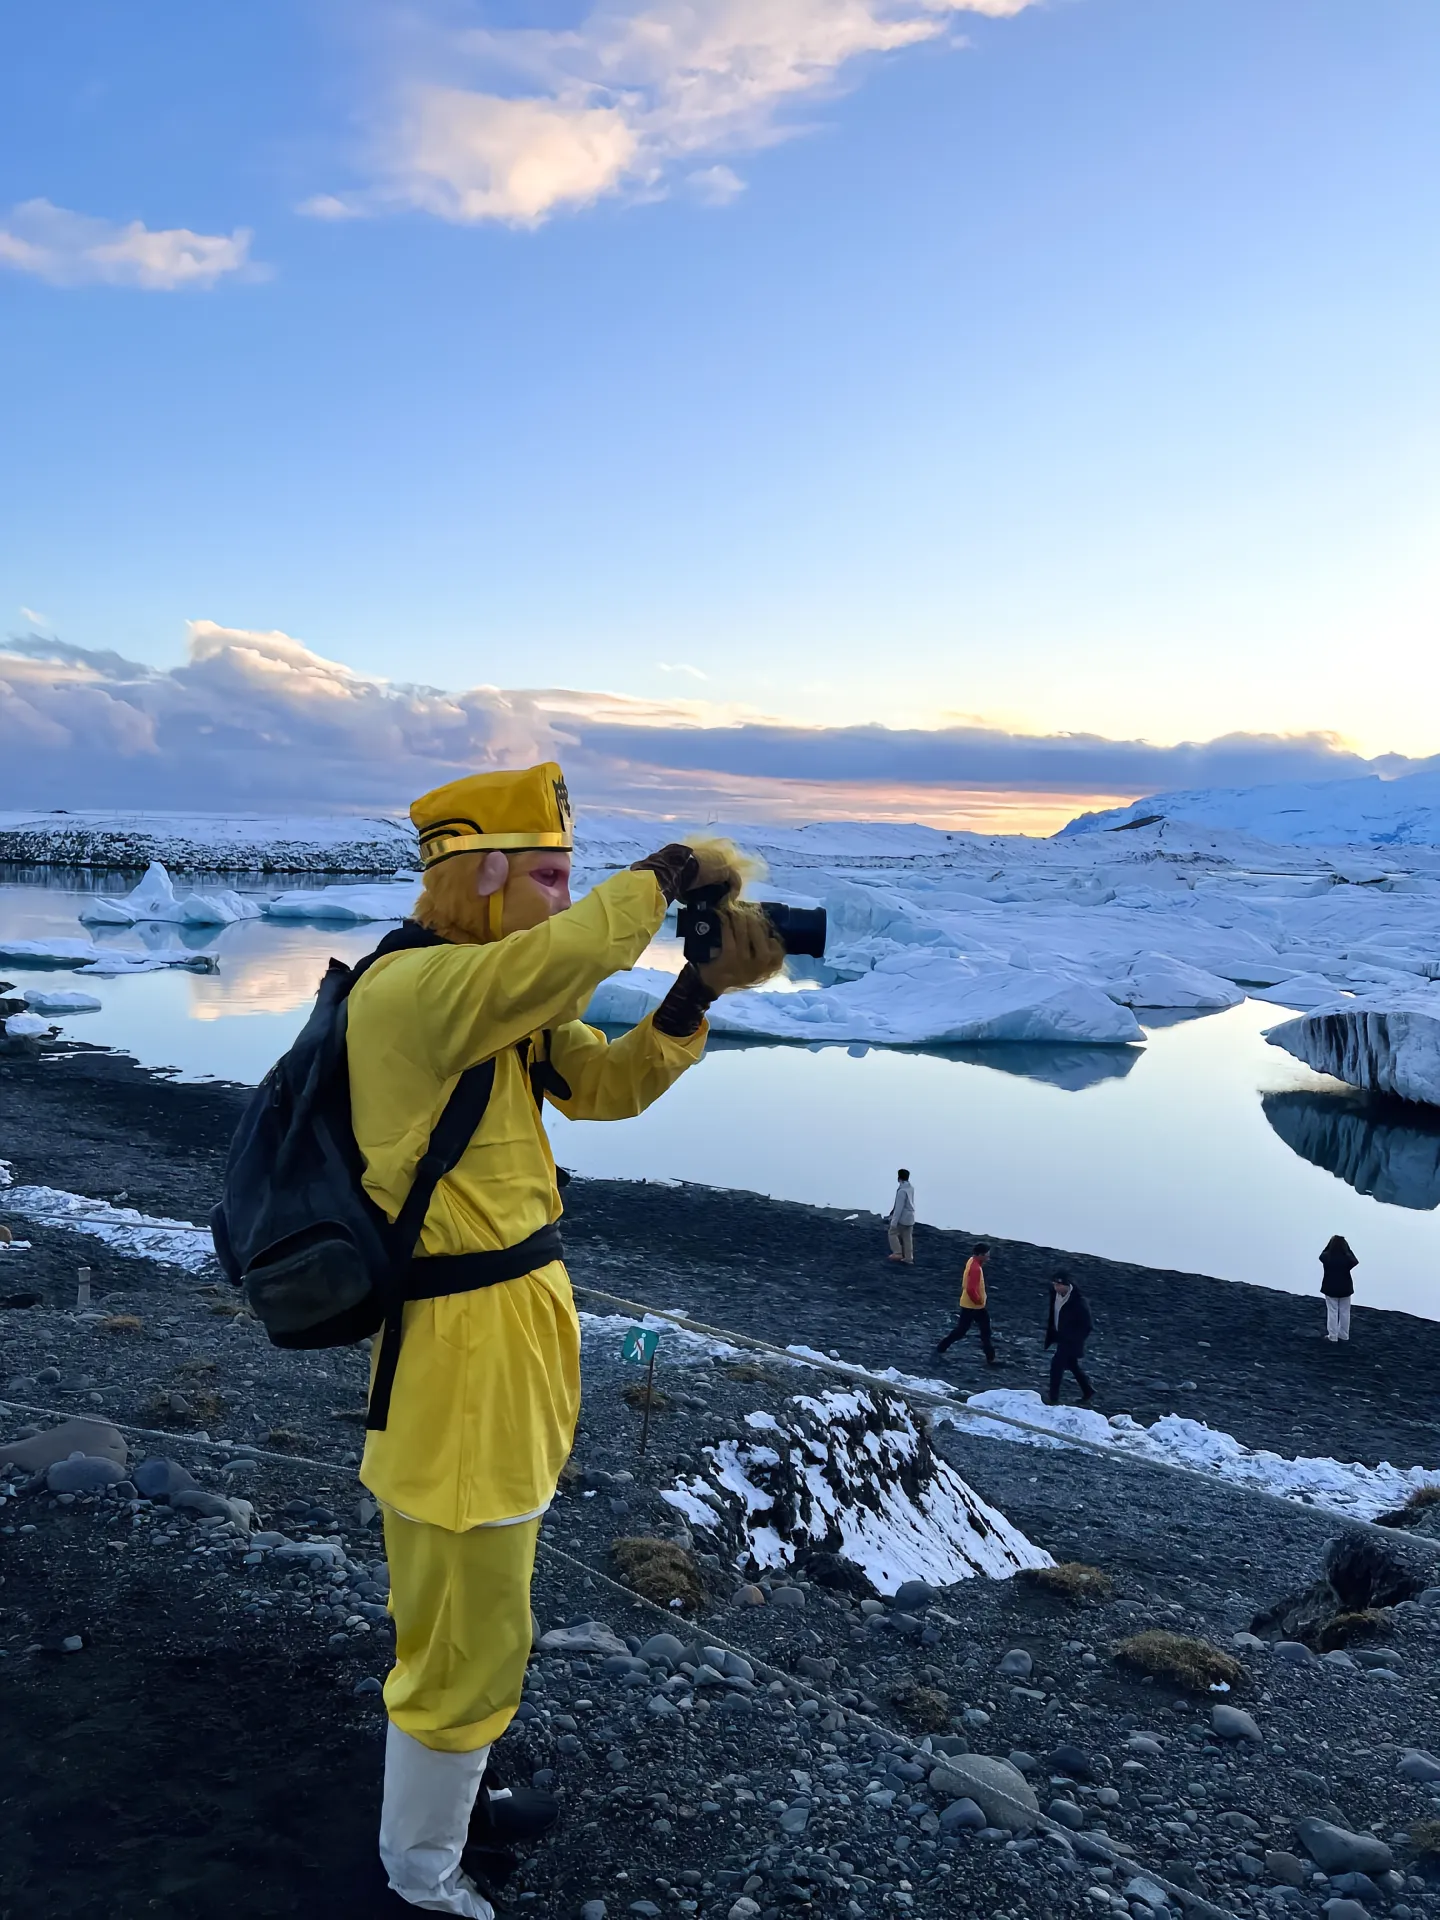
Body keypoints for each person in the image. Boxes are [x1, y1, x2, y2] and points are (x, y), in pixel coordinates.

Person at [346, 762, 782, 1917]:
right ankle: (422, 1873)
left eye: (570, 879)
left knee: (471, 1606)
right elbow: (562, 958)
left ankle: (449, 1807)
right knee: (471, 1623)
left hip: (502, 1342)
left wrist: (693, 992)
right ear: (480, 873)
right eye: (548, 877)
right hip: (461, 1355)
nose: (562, 898)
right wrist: (665, 876)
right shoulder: (416, 989)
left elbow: (603, 1086)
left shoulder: (492, 1001)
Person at [935, 1243, 997, 1364]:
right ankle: (991, 1358)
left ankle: (941, 1347)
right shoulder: (975, 1269)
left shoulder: (972, 1261)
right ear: (980, 1255)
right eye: (987, 1254)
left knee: (966, 1331)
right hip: (974, 1306)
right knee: (978, 1332)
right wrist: (978, 1301)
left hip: (970, 1305)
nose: (988, 1256)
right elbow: (970, 1289)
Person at [1043, 1270, 1094, 1405]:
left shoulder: (1078, 1302)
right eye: (1054, 1284)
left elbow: (1087, 1325)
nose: (1056, 1288)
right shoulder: (1054, 1294)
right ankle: (1088, 1390)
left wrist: (1074, 1339)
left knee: (1056, 1365)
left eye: (1059, 1285)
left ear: (1067, 1284)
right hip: (1060, 1335)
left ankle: (1053, 1398)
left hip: (1070, 1340)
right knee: (1072, 1364)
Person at [1320, 1234, 1357, 1341]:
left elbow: (1322, 1255)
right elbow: (1354, 1261)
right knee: (1345, 1312)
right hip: (1345, 1287)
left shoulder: (1327, 1257)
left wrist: (1329, 1245)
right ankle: (1344, 1335)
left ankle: (1333, 1336)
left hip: (1330, 1287)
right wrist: (1347, 1249)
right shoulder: (1347, 1259)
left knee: (1332, 1311)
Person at [887, 1169, 916, 1264]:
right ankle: (909, 1258)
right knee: (907, 1237)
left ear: (899, 1178)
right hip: (911, 1217)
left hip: (903, 1218)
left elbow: (899, 1208)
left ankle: (897, 1253)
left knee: (892, 1233)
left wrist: (893, 1222)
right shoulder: (911, 1188)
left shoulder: (902, 1191)